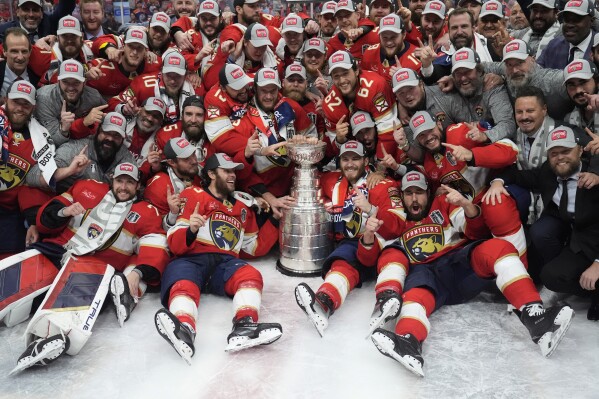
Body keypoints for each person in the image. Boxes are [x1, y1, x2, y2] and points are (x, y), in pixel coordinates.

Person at [368, 170, 573, 377]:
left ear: (428, 193)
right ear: (401, 196)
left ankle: (535, 317)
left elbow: (474, 231)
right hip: (426, 276)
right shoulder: (394, 218)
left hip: (457, 265)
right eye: (409, 193)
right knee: (414, 297)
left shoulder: (443, 202)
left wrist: (466, 205)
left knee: (498, 248)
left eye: (419, 192)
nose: (414, 198)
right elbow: (383, 254)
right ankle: (408, 342)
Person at [10, 163, 169, 374]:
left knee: (75, 295)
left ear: (138, 186)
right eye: (120, 180)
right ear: (111, 179)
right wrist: (64, 211)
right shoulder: (87, 187)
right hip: (58, 251)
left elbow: (156, 247)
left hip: (94, 268)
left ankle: (50, 338)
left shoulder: (146, 213)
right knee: (17, 275)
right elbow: (45, 218)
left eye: (129, 182)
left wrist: (137, 274)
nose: (123, 186)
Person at [155, 153, 283, 363]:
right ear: (212, 174)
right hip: (192, 259)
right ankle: (183, 328)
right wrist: (191, 229)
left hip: (224, 264)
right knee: (182, 281)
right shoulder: (194, 195)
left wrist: (275, 222)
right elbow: (175, 244)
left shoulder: (243, 208)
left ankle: (245, 325)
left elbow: (253, 248)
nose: (232, 175)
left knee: (250, 274)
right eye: (227, 171)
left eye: (234, 171)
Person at [485, 125, 599, 320]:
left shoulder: (594, 174)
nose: (560, 157)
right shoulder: (549, 171)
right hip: (579, 239)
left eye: (566, 151)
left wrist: (598, 263)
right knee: (550, 275)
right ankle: (592, 291)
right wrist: (497, 182)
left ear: (580, 150)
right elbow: (519, 176)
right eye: (554, 153)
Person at [295, 141, 400, 337]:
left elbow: (397, 226)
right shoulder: (331, 181)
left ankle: (387, 298)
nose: (350, 163)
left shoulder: (383, 185)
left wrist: (371, 209)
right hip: (353, 248)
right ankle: (323, 303)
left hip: (381, 245)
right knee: (342, 261)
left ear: (365, 161)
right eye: (345, 159)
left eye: (355, 159)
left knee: (392, 255)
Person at [0, 81, 55, 255]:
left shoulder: (42, 138)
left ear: (33, 107)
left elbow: (39, 181)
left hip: (11, 212)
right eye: (16, 102)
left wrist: (33, 220)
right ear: (6, 99)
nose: (20, 108)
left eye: (26, 104)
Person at [26, 112, 135, 193]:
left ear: (122, 138)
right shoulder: (75, 149)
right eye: (106, 133)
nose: (110, 138)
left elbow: (137, 190)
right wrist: (69, 170)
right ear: (98, 131)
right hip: (68, 206)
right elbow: (32, 177)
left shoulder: (125, 158)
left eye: (116, 135)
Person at [109, 51, 202, 124]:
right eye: (169, 75)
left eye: (177, 76)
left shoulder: (195, 88)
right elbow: (113, 103)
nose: (173, 81)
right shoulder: (143, 85)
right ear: (161, 72)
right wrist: (124, 109)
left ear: (186, 75)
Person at [34, 59, 106, 147]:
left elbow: (109, 115)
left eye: (76, 82)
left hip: (85, 143)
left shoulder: (94, 96)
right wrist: (63, 130)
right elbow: (51, 143)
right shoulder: (44, 98)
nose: (71, 88)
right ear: (58, 81)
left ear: (84, 82)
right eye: (65, 82)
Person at [144, 137, 201, 230]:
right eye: (186, 159)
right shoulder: (159, 186)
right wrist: (173, 214)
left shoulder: (197, 172)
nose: (194, 161)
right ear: (171, 162)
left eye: (193, 154)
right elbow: (157, 229)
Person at [86, 28, 162, 98]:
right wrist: (86, 76)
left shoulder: (155, 64)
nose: (135, 52)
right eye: (130, 46)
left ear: (146, 50)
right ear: (123, 47)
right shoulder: (101, 68)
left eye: (139, 47)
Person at [361, 14, 421, 83]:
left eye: (393, 37)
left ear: (404, 35)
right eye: (384, 37)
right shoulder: (369, 53)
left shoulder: (416, 60)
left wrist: (405, 79)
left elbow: (420, 92)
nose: (389, 42)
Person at [536, 0, 596, 69]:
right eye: (566, 20)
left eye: (576, 20)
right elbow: (536, 73)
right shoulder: (553, 45)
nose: (570, 25)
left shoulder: (597, 46)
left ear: (591, 21)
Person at [0, 0, 76, 43]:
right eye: (26, 9)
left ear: (42, 13)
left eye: (35, 10)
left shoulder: (50, 22)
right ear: (17, 12)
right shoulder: (4, 31)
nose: (31, 14)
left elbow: (66, 6)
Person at [0, 27, 44, 97]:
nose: (20, 57)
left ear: (30, 52)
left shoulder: (38, 77)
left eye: (24, 51)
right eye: (14, 51)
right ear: (4, 51)